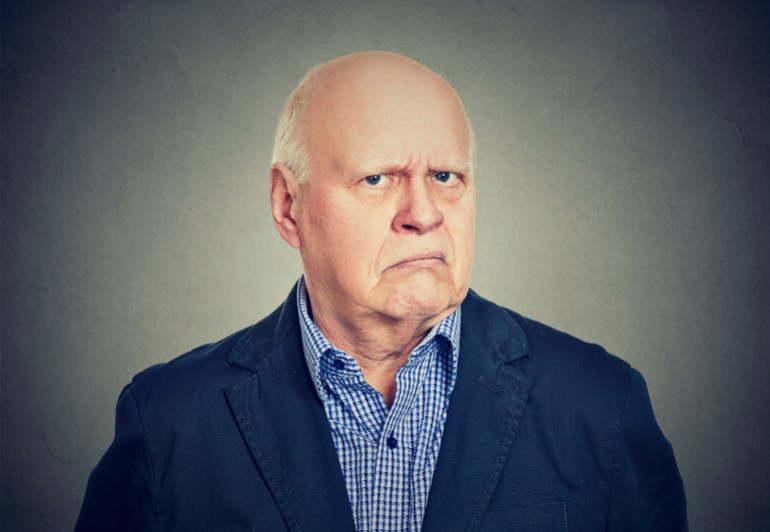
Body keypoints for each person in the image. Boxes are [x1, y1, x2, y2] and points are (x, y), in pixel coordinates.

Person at [75, 51, 687, 531]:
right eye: (377, 179)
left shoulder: (605, 407)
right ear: (288, 207)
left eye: (446, 177)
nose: (424, 213)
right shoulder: (166, 422)